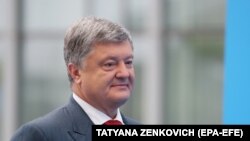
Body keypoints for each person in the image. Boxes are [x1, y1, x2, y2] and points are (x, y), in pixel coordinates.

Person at [11, 16, 139, 141]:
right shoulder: (39, 135)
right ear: (76, 72)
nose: (124, 73)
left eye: (128, 62)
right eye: (109, 64)